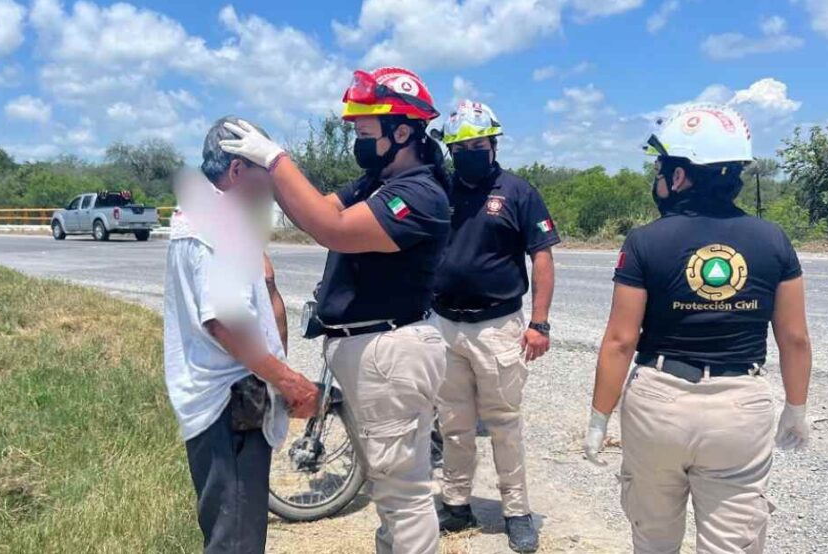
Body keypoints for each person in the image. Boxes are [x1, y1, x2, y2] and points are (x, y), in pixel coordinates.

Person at [219, 67, 451, 554]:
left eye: (365, 132)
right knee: (390, 491)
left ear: (402, 131)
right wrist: (262, 182)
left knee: (404, 496)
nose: (358, 142)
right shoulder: (375, 180)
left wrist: (275, 158)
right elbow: (318, 208)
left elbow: (333, 228)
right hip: (370, 349)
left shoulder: (420, 193)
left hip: (392, 348)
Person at [583, 104, 813, 553]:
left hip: (660, 402)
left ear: (683, 176)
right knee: (733, 541)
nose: (658, 179)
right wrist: (797, 408)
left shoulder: (645, 241)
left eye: (662, 168)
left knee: (653, 537)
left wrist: (599, 417)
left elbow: (620, 339)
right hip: (739, 409)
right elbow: (794, 337)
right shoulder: (773, 240)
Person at [163, 116, 318, 554]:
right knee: (236, 541)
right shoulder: (217, 227)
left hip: (226, 402)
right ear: (236, 172)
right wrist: (290, 382)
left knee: (234, 530)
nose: (270, 189)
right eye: (262, 176)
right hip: (229, 406)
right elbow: (224, 322)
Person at [431, 100, 559, 553]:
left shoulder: (518, 192)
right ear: (449, 149)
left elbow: (541, 256)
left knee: (504, 424)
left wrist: (539, 323)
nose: (469, 151)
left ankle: (517, 511)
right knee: (454, 424)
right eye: (460, 146)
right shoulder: (440, 189)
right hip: (444, 325)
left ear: (493, 143)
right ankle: (456, 503)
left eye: (477, 144)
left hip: (499, 326)